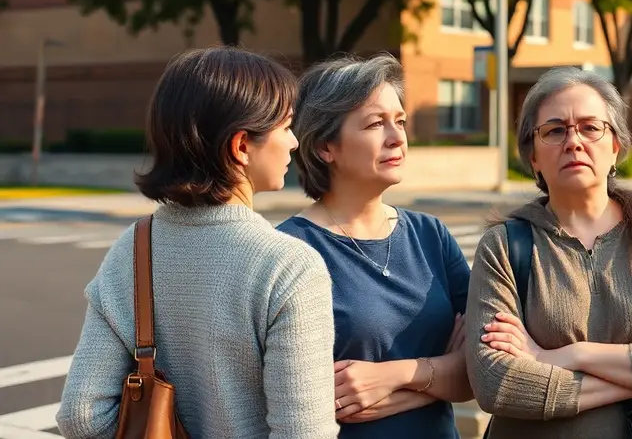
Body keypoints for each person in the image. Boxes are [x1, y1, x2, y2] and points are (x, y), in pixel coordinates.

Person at [56, 47, 340, 439]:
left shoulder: (133, 249)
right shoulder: (289, 266)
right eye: (286, 126)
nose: (294, 142)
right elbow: (304, 433)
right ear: (241, 146)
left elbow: (80, 416)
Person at [465, 67, 632, 438]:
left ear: (615, 147)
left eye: (591, 127)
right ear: (533, 157)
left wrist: (564, 357)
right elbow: (496, 383)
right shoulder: (504, 246)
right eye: (555, 130)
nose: (573, 141)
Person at [276, 52, 474, 439]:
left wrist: (393, 377)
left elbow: (482, 370)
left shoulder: (430, 235)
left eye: (399, 121)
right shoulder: (290, 251)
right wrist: (439, 373)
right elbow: (312, 400)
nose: (397, 137)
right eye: (375, 123)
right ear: (324, 148)